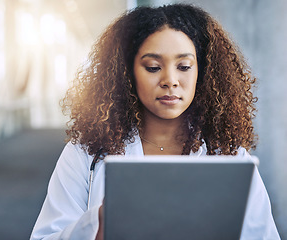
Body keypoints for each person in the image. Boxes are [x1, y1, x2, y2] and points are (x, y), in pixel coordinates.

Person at [30, 4, 280, 240]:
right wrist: (95, 224)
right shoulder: (85, 152)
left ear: (201, 72)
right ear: (127, 73)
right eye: (152, 67)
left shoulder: (231, 157)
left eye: (184, 66)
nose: (170, 80)